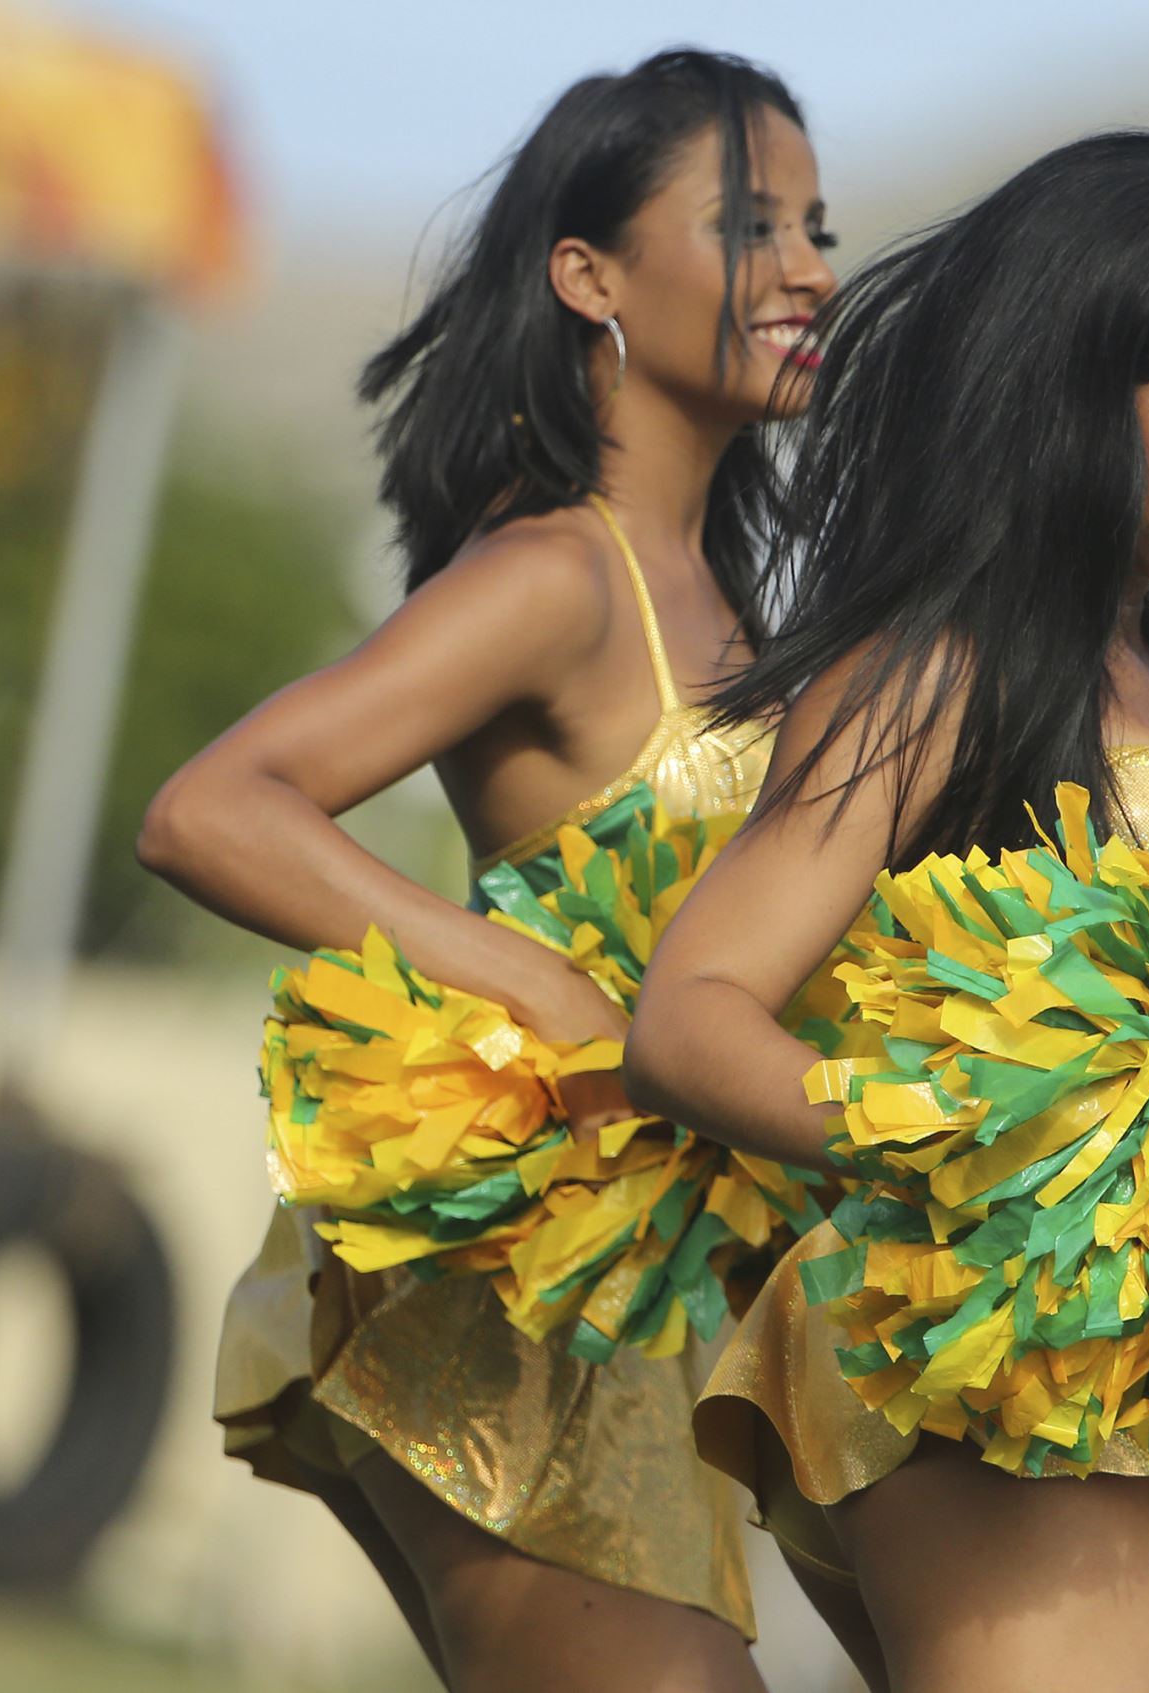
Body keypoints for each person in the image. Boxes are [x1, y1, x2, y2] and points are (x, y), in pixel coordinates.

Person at [619, 132, 1149, 1693]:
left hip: (1135, 1335)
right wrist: (977, 1145)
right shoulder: (936, 668)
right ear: (1083, 394)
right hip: (968, 1331)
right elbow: (691, 1015)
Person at [136, 49, 838, 1693]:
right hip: (521, 1297)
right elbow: (213, 808)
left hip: (659, 1310)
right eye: (753, 225)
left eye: (819, 223)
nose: (813, 267)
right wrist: (525, 974)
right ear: (589, 277)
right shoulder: (552, 575)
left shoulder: (738, 607)